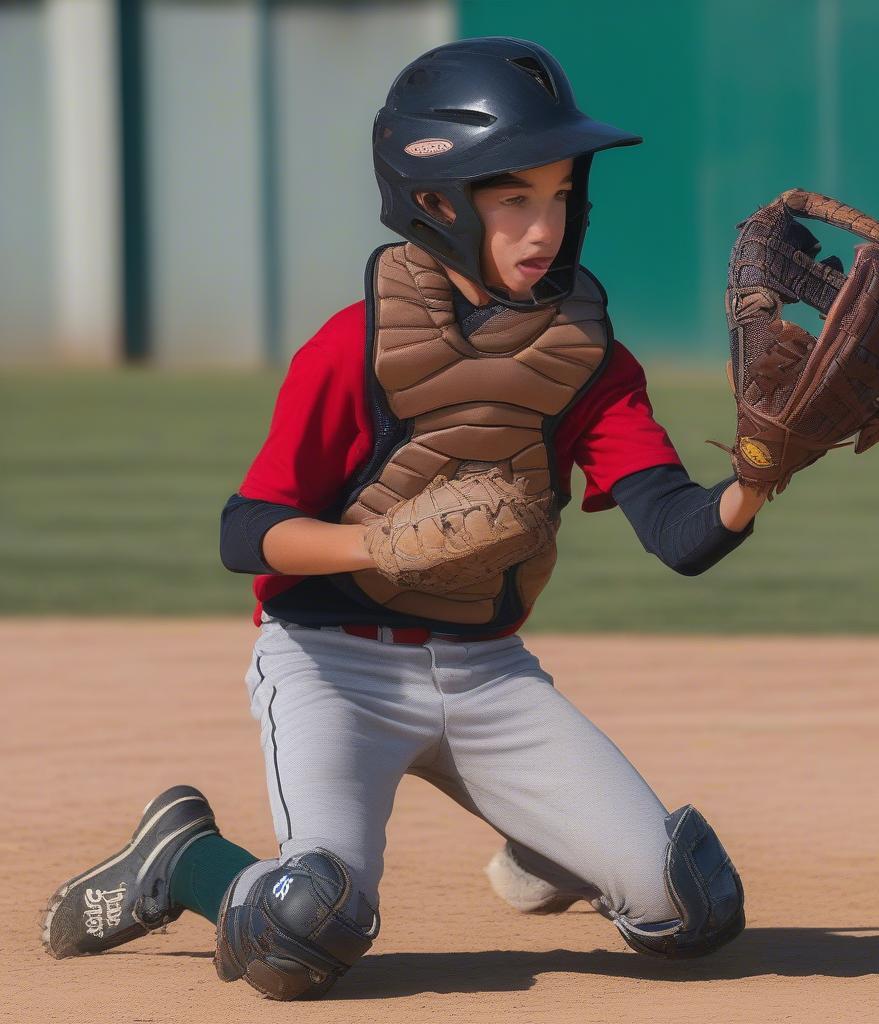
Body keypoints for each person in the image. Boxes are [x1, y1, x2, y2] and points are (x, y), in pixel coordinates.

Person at [42, 37, 763, 1000]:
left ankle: (550, 852)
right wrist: (376, 545)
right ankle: (187, 862)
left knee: (691, 906)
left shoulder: (591, 358)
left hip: (486, 673)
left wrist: (759, 472)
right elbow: (245, 529)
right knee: (311, 926)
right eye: (515, 198)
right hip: (331, 665)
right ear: (436, 201)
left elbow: (678, 531)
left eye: (560, 195)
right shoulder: (355, 346)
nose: (545, 225)